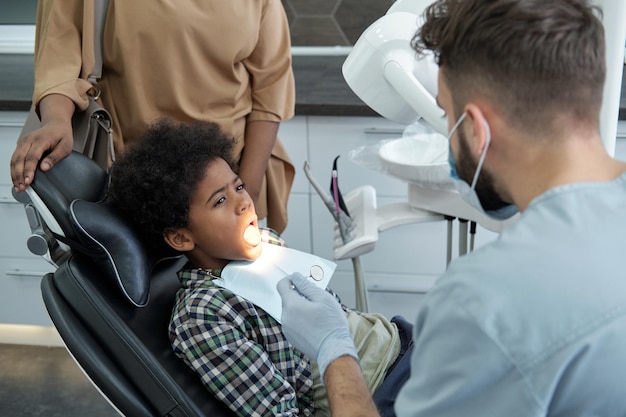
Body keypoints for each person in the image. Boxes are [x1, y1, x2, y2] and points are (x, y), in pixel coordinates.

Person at [277, 0, 626, 416]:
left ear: (477, 129)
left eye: (445, 113)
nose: (445, 129)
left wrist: (334, 351)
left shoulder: (483, 301)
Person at [108, 117, 414, 417]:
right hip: (380, 393)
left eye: (238, 187)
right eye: (219, 201)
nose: (243, 203)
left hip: (402, 340)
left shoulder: (268, 242)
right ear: (181, 237)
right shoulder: (204, 314)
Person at [10, 0, 295, 233]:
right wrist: (56, 119)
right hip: (132, 186)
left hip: (227, 180)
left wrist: (245, 193)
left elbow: (269, 93)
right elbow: (59, 58)